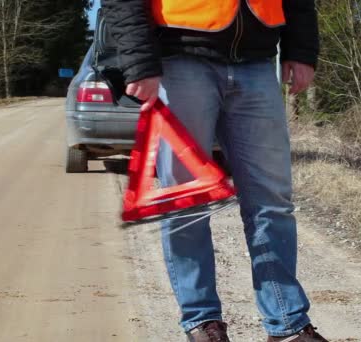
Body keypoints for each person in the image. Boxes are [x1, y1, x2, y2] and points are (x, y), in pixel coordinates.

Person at [103, 1, 325, 341]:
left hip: (257, 62)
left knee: (273, 201)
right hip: (180, 59)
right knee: (186, 202)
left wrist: (302, 49)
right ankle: (201, 320)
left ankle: (288, 325)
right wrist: (138, 61)